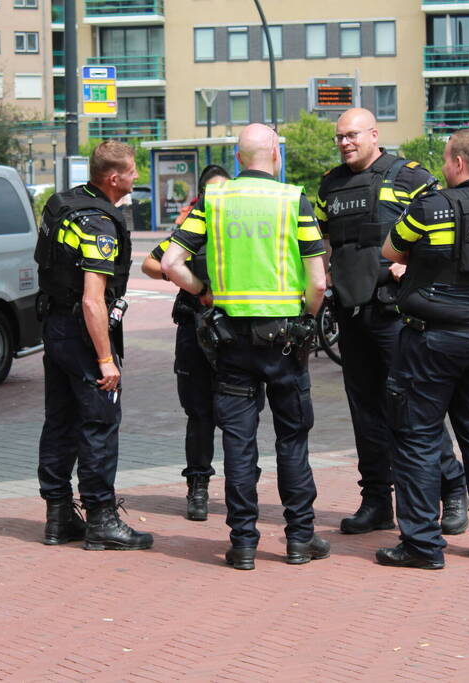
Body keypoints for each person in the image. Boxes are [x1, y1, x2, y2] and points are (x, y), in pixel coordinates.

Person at [162, 124, 329, 571]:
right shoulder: (293, 200)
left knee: (239, 444)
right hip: (285, 343)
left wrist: (203, 291)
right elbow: (317, 280)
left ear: (237, 158)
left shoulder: (214, 201)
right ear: (274, 152)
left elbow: (169, 262)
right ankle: (299, 539)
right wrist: (308, 321)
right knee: (292, 440)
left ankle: (244, 544)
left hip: (231, 342)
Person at [377, 129, 469, 569]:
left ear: (458, 163)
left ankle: (422, 545)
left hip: (435, 339)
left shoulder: (431, 207)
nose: (444, 167)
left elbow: (392, 251)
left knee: (418, 438)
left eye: (446, 160)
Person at [314, 107, 468, 536]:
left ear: (374, 134)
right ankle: (377, 501)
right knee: (365, 412)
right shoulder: (330, 184)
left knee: (414, 408)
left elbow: (445, 233)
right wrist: (324, 275)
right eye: (340, 136)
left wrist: (415, 266)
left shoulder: (411, 178)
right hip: (351, 312)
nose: (345, 142)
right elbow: (326, 240)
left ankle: (452, 492)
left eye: (353, 135)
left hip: (395, 315)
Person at [34, 139, 153, 551]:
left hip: (54, 327)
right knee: (100, 422)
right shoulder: (100, 224)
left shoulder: (63, 203)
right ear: (114, 178)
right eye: (133, 171)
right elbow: (92, 299)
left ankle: (58, 515)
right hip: (83, 332)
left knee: (60, 420)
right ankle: (101, 517)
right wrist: (106, 360)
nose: (138, 177)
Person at [141, 164, 231, 521]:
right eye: (210, 193)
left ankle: (241, 487)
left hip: (234, 333)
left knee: (239, 415)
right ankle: (198, 488)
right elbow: (151, 263)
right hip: (194, 329)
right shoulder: (190, 232)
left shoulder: (240, 230)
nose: (216, 199)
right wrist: (188, 280)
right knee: (199, 414)